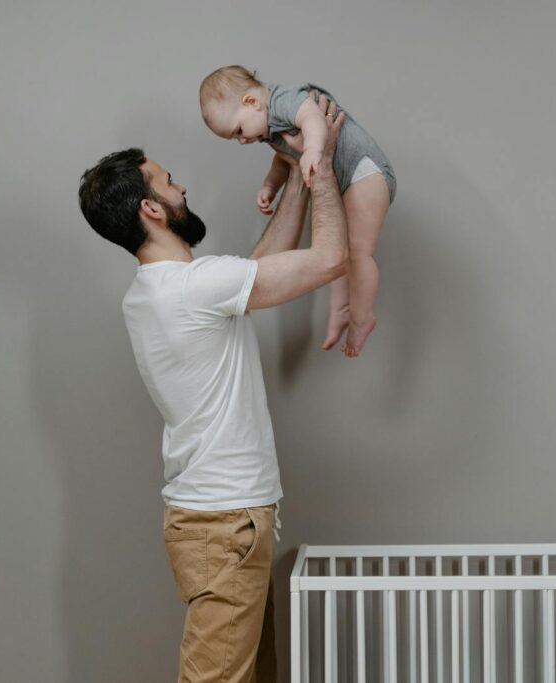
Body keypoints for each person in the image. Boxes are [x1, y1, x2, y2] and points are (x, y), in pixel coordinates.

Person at [77, 93, 347, 682]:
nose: (183, 190)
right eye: (170, 183)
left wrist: (298, 179)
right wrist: (320, 163)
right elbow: (329, 259)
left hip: (220, 523)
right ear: (151, 207)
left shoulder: (158, 292)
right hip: (225, 527)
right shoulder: (193, 289)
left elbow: (252, 271)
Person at [200, 65, 396, 358]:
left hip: (365, 172)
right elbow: (284, 159)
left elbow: (313, 117)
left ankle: (362, 318)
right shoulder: (270, 130)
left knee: (359, 253)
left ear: (251, 102)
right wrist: (270, 186)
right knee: (339, 254)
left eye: (239, 131)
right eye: (234, 138)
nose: (242, 140)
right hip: (346, 180)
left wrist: (315, 150)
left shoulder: (284, 100)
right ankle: (341, 310)